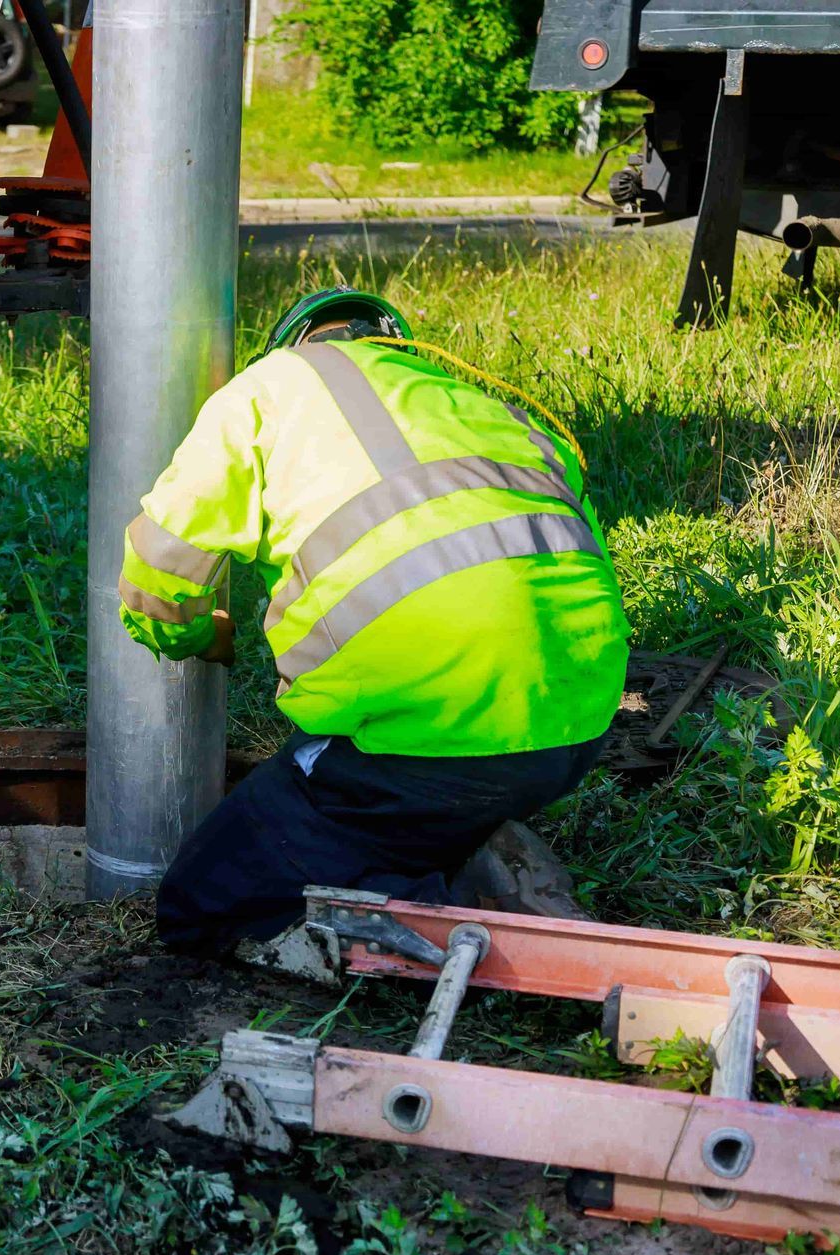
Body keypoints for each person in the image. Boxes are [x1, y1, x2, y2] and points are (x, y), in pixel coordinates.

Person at [117, 287, 630, 957]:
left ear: (293, 345)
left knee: (199, 905)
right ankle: (468, 846)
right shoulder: (482, 406)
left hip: (427, 743)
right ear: (392, 346)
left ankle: (436, 910)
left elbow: (161, 566)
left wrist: (191, 637)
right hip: (577, 727)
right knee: (413, 796)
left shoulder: (268, 388)